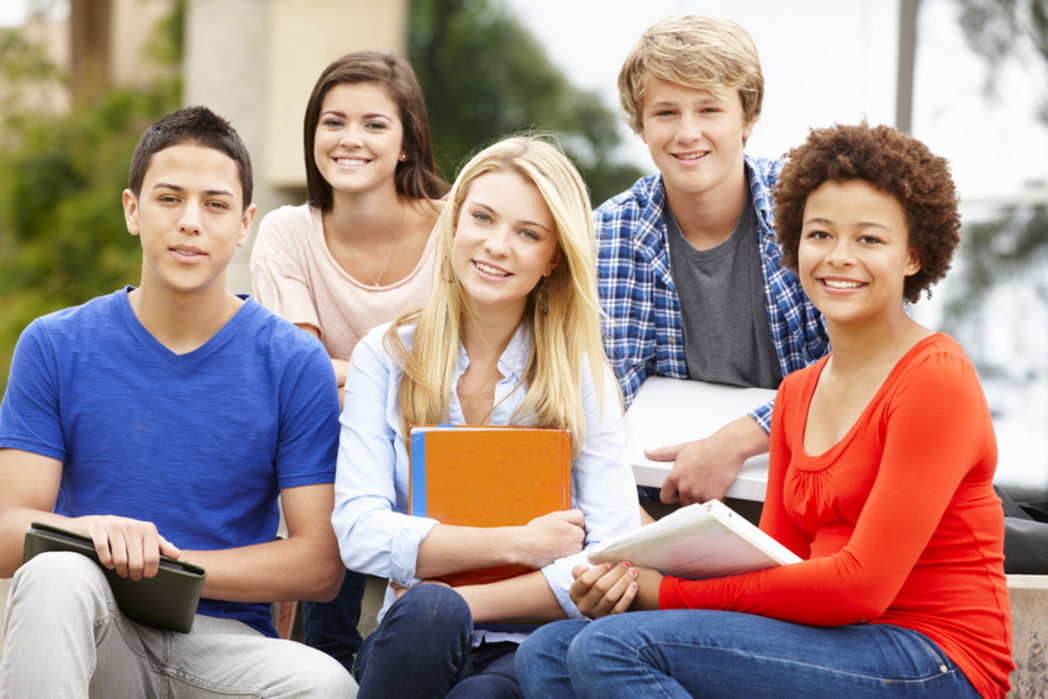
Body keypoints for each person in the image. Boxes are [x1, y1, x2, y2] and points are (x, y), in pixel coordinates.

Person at [514, 123, 1014, 698]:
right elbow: (775, 567)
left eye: (870, 240)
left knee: (613, 646)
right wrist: (629, 581)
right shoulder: (799, 392)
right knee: (548, 653)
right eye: (820, 234)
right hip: (832, 643)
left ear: (913, 255)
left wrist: (664, 594)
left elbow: (860, 588)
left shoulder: (934, 378)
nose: (839, 257)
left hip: (936, 659)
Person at [0, 106, 357, 697]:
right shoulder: (55, 345)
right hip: (97, 628)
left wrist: (168, 565)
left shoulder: (294, 363)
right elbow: (7, 531)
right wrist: (92, 535)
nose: (191, 222)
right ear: (132, 210)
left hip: (227, 646)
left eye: (215, 205)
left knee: (327, 683)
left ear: (244, 224)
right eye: (169, 199)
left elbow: (319, 565)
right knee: (57, 572)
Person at [331, 134, 640, 698]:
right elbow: (357, 532)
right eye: (483, 218)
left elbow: (610, 555)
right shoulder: (386, 354)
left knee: (474, 680)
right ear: (454, 225)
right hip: (413, 639)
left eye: (527, 233)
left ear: (553, 260)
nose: (498, 245)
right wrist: (516, 543)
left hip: (528, 645)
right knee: (428, 615)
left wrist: (462, 598)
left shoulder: (583, 375)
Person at [250, 49, 448, 671]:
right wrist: (384, 381)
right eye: (332, 122)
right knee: (324, 426)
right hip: (330, 444)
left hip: (437, 439)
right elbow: (304, 375)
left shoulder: (458, 227)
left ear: (408, 142)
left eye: (373, 124)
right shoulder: (288, 233)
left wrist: (358, 378)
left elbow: (464, 365)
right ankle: (324, 661)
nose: (349, 139)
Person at [596, 15, 828, 506]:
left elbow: (875, 368)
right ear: (640, 125)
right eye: (665, 113)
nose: (687, 133)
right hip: (662, 498)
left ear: (746, 119)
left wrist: (734, 442)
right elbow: (602, 403)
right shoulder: (606, 237)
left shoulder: (813, 212)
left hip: (816, 486)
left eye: (708, 109)